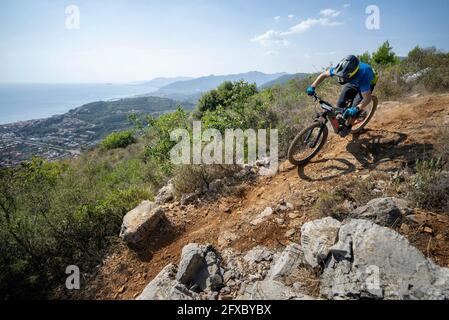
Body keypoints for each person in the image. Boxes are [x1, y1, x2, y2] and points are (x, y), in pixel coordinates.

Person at [306, 55, 378, 137]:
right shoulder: (343, 68)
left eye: (343, 77)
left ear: (350, 74)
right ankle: (346, 116)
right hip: (353, 82)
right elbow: (324, 75)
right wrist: (312, 86)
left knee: (354, 108)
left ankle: (349, 126)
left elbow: (367, 98)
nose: (341, 79)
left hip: (367, 82)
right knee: (340, 103)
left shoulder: (364, 74)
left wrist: (356, 108)